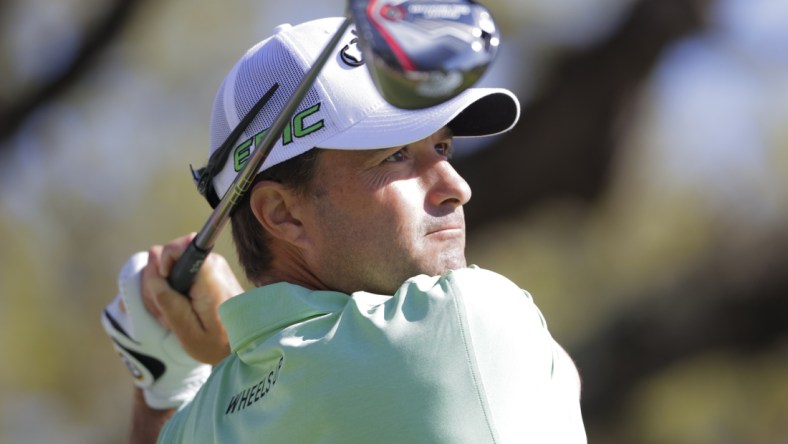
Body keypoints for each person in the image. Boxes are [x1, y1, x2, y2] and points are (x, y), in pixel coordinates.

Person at [101, 17, 586, 443]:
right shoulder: (469, 316)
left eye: (442, 149)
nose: (456, 187)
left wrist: (166, 384)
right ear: (282, 214)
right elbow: (560, 379)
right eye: (395, 155)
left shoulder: (206, 423)